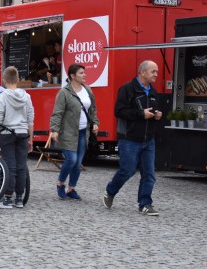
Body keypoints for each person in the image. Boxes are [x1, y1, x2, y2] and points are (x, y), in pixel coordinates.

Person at [103, 60, 163, 216]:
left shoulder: (154, 92)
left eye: (156, 71)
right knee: (127, 171)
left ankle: (145, 204)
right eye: (153, 71)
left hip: (148, 140)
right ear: (142, 72)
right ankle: (110, 191)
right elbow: (119, 111)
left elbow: (154, 110)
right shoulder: (127, 89)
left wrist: (157, 115)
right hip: (129, 139)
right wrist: (141, 114)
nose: (156, 74)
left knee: (149, 174)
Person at [49, 64, 99, 200]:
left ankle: (71, 189)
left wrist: (95, 123)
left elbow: (93, 109)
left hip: (83, 132)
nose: (85, 75)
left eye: (84, 72)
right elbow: (57, 113)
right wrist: (54, 130)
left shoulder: (87, 90)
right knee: (72, 159)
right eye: (81, 73)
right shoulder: (64, 92)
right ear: (72, 76)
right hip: (68, 132)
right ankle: (60, 183)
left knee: (78, 163)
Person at [0, 66, 35, 209]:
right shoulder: (27, 97)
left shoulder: (1, 97)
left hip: (7, 133)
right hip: (23, 133)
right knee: (21, 166)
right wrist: (31, 138)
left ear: (4, 81)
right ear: (18, 79)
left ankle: (7, 199)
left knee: (9, 166)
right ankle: (19, 198)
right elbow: (30, 119)